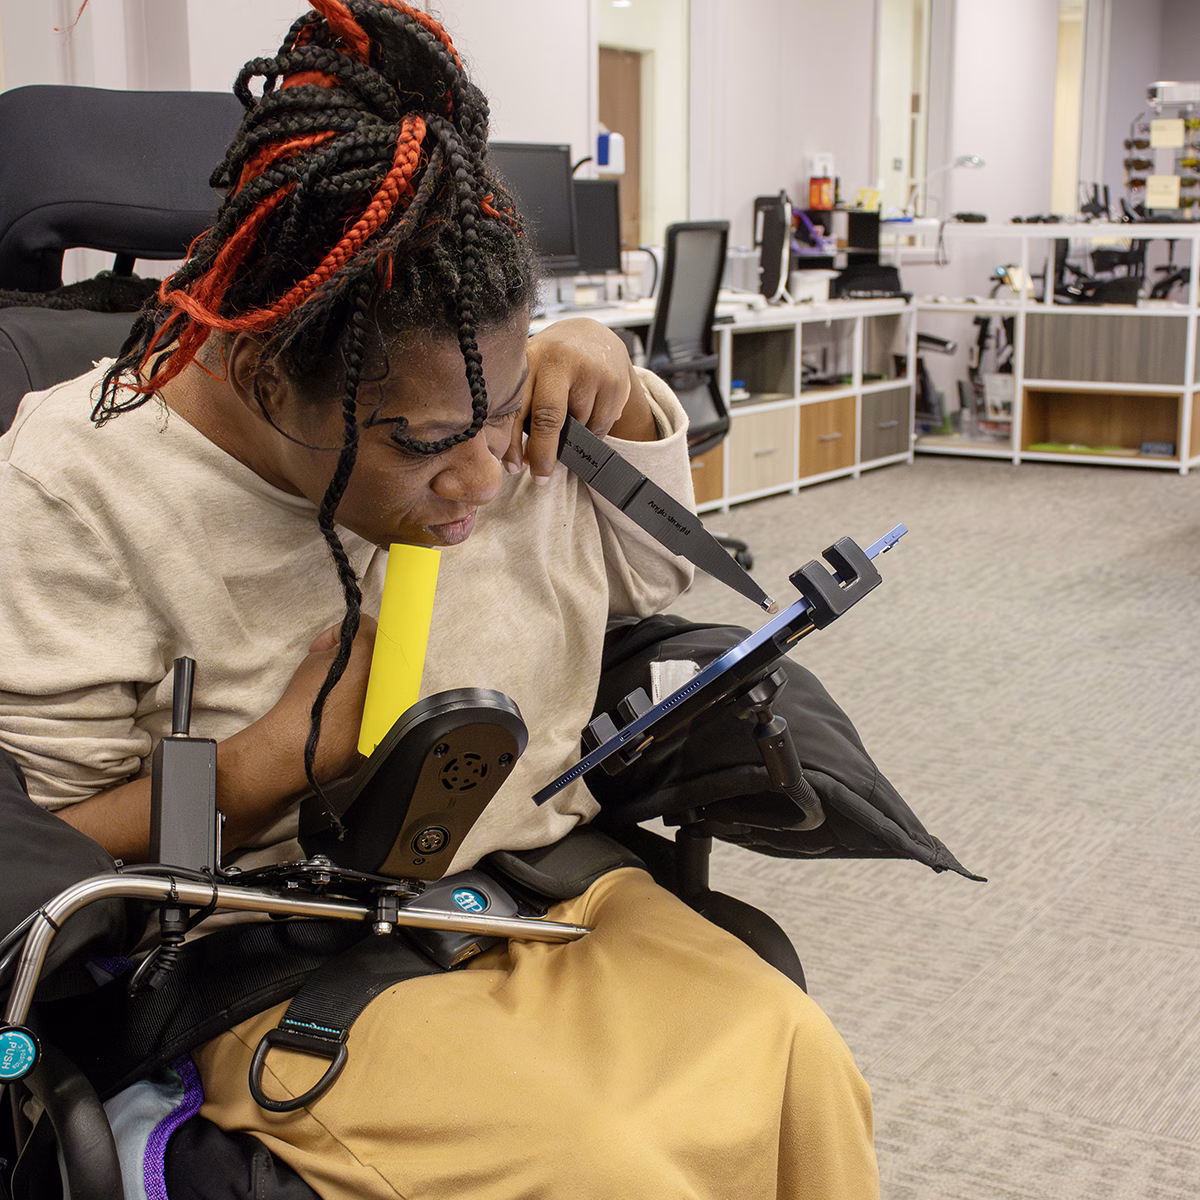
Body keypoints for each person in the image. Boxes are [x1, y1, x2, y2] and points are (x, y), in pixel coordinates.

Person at [0, 3, 879, 1196]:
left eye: (500, 414)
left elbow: (655, 578)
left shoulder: (456, 372)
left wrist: (606, 389)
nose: (477, 483)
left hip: (531, 881)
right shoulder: (81, 485)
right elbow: (44, 863)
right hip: (272, 943)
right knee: (606, 1171)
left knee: (800, 1067)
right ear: (267, 376)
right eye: (422, 446)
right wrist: (263, 763)